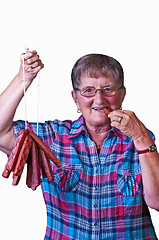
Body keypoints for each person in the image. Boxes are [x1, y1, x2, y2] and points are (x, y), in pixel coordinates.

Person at [0, 51, 159, 240]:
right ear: (75, 98)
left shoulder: (139, 138)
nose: (99, 99)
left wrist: (141, 137)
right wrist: (22, 79)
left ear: (122, 94)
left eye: (108, 89)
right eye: (88, 91)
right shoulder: (54, 137)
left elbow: (157, 201)